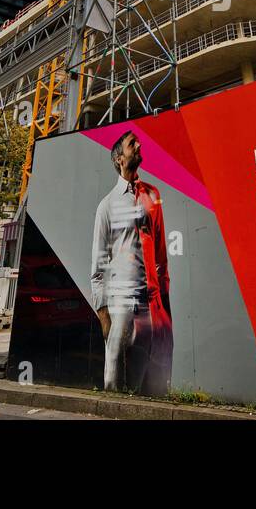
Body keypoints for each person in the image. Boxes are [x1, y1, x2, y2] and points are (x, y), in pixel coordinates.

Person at [90, 130, 172, 395]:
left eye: (138, 141)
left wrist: (164, 304)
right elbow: (98, 265)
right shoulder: (107, 206)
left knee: (153, 381)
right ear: (119, 159)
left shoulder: (153, 195)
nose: (138, 145)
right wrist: (103, 314)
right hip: (120, 304)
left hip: (152, 303)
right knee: (115, 379)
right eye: (131, 143)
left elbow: (161, 255)